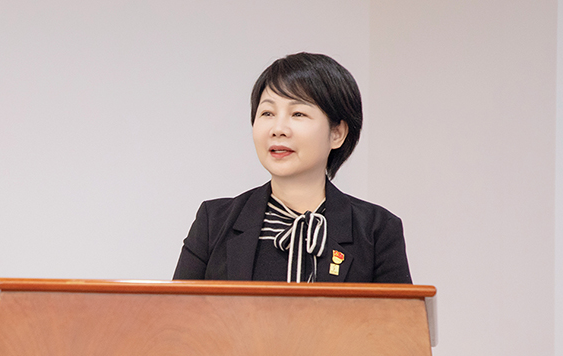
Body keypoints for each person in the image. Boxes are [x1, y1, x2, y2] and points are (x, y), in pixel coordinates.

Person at [173, 52, 412, 284]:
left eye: (298, 113)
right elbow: (176, 311)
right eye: (267, 113)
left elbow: (399, 313)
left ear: (337, 133)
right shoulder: (213, 223)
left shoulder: (377, 230)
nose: (278, 129)